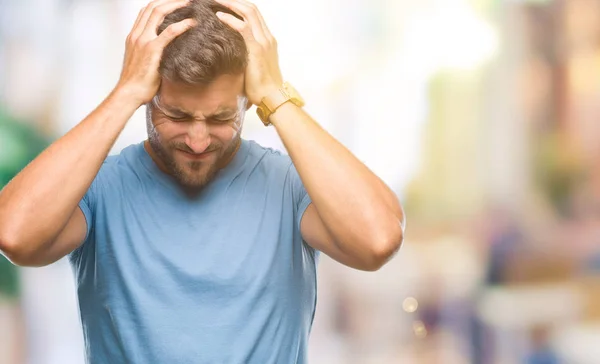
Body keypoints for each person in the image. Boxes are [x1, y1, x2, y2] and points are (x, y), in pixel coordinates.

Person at [0, 0, 405, 362]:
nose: (197, 141)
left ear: (247, 100)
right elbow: (14, 235)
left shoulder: (291, 188)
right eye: (176, 116)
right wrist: (124, 92)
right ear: (149, 95)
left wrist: (274, 93)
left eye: (220, 118)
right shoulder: (99, 189)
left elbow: (377, 241)